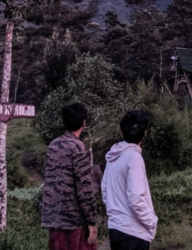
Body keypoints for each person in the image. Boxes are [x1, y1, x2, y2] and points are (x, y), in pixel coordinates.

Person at [41, 102, 98, 250]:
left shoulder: (53, 145)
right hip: (74, 222)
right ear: (83, 122)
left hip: (54, 218)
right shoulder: (78, 147)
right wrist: (91, 221)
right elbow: (84, 188)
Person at [101, 110, 158, 250]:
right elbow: (136, 199)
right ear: (144, 133)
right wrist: (151, 220)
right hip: (133, 233)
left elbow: (105, 190)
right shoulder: (134, 157)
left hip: (116, 229)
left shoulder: (113, 156)